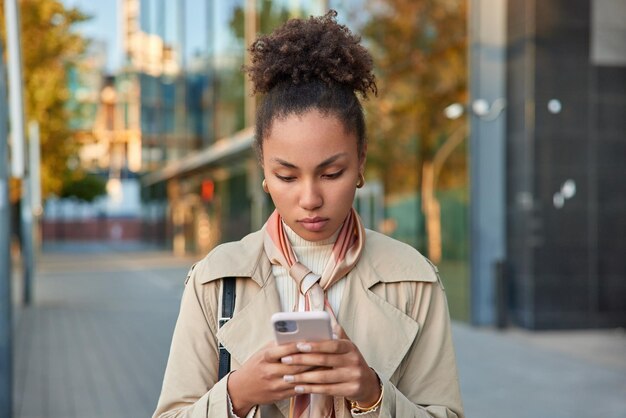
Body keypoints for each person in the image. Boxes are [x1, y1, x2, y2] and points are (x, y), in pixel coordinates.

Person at [153, 10, 464, 418]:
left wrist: (372, 395)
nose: (310, 197)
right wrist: (237, 393)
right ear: (263, 171)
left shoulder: (413, 279)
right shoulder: (216, 279)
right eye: (286, 175)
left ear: (361, 162)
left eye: (331, 173)